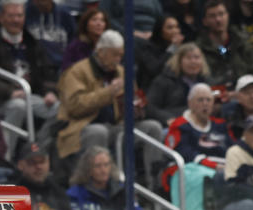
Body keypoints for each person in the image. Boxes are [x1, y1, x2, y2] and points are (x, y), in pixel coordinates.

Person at [55, 31, 162, 180]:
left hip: (117, 126)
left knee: (153, 127)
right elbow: (74, 106)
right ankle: (95, 185)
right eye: (114, 55)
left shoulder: (122, 73)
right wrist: (108, 93)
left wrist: (136, 110)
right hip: (81, 127)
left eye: (120, 55)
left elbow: (134, 99)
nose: (118, 60)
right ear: (101, 52)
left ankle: (154, 184)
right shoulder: (77, 71)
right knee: (99, 132)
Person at [0, 0, 59, 159]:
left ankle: (35, 152)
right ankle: (5, 158)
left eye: (19, 15)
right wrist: (9, 92)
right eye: (11, 16)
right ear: (1, 18)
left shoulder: (31, 42)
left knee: (58, 109)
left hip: (29, 95)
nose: (16, 20)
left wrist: (49, 92)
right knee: (18, 106)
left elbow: (47, 73)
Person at [66, 146, 147, 210]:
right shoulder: (75, 194)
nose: (103, 170)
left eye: (106, 165)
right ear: (88, 169)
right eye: (98, 166)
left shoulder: (123, 191)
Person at [196, 0, 253, 91]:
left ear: (228, 16)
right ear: (205, 21)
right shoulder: (199, 49)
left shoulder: (242, 43)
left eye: (221, 14)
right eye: (212, 16)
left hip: (244, 95)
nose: (218, 19)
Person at [14, 141, 80, 210]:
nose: (38, 166)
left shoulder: (58, 191)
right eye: (32, 162)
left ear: (49, 163)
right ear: (20, 165)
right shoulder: (12, 193)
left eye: (42, 161)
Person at [146, 43, 212, 126]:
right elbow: (149, 107)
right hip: (171, 124)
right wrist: (168, 118)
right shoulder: (163, 81)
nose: (193, 61)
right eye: (188, 58)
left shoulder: (206, 81)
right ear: (179, 61)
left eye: (197, 57)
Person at [136, 15, 186, 91]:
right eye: (170, 28)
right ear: (160, 31)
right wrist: (172, 48)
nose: (175, 31)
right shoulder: (147, 48)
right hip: (152, 89)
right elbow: (155, 70)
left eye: (177, 27)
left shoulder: (181, 48)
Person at [24, 0, 76, 73]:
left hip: (61, 68)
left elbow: (73, 42)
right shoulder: (24, 11)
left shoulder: (64, 13)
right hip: (34, 68)